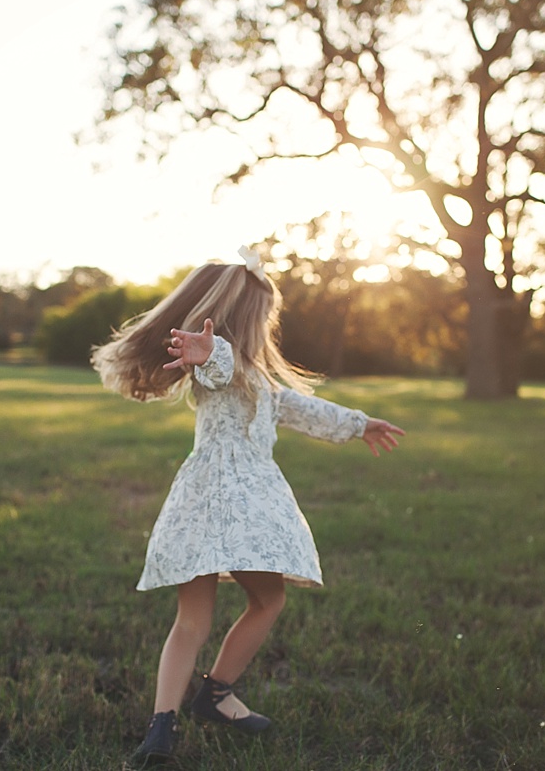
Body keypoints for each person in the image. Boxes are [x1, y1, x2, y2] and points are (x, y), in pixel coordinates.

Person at [89, 251, 405, 766]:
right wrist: (207, 350)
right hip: (239, 503)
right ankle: (213, 695)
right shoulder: (228, 360)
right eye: (267, 317)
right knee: (268, 600)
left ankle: (162, 730)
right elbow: (219, 367)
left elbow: (300, 408)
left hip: (200, 502)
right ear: (251, 316)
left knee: (192, 621)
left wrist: (357, 422)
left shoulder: (252, 373)